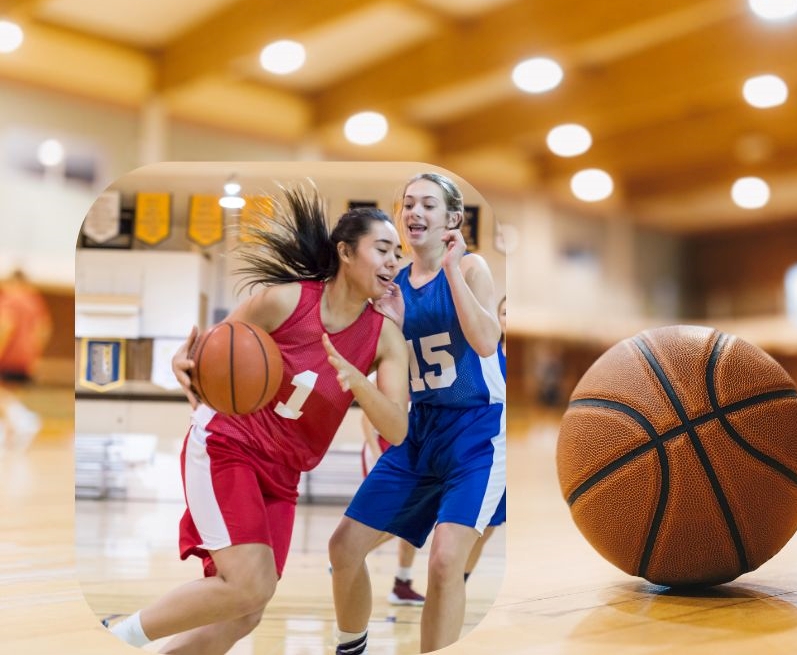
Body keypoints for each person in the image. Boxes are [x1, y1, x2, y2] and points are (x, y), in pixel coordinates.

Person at [105, 188, 410, 654]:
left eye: (397, 255)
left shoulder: (385, 337)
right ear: (345, 252)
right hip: (228, 444)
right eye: (382, 250)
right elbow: (208, 353)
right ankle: (119, 636)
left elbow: (397, 429)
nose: (392, 263)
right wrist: (181, 359)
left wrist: (359, 382)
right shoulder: (284, 301)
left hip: (283, 471)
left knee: (246, 612)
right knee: (248, 586)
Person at [329, 172, 505, 654]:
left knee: (446, 562)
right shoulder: (392, 286)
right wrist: (396, 330)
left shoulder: (471, 270)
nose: (414, 213)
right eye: (408, 204)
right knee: (343, 548)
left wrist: (450, 269)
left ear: (452, 218)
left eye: (428, 204)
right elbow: (392, 381)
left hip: (476, 432)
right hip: (420, 430)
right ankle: (352, 645)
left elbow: (486, 342)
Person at [356, 411, 426, 606]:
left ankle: (402, 584)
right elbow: (366, 419)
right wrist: (377, 453)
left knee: (417, 519)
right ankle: (350, 553)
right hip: (384, 448)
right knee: (403, 517)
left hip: (413, 450)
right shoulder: (380, 379)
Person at [464, 296, 507, 583]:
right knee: (469, 525)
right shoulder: (486, 353)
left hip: (511, 457)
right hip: (483, 449)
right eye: (505, 312)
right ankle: (357, 549)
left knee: (489, 527)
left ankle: (460, 580)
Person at [0, 267, 50, 447]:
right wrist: (35, 354)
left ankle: (25, 419)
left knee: (4, 395)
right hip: (27, 356)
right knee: (9, 394)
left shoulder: (9, 300)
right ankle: (11, 430)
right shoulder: (34, 301)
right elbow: (43, 329)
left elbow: (5, 326)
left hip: (8, 354)